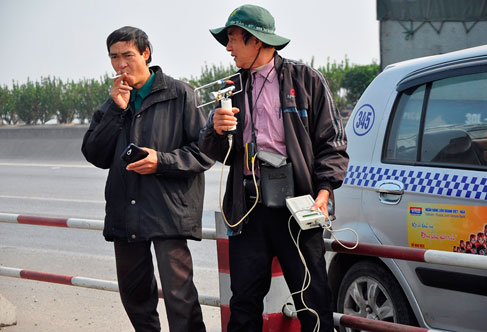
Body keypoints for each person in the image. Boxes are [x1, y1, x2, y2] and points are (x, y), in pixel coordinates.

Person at [198, 5, 349, 332]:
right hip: (247, 207)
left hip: (298, 204)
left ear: (256, 41)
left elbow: (333, 142)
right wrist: (216, 128)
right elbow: (208, 151)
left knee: (312, 300)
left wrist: (324, 192)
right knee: (243, 305)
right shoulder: (230, 88)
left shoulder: (306, 80)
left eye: (233, 39)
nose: (227, 48)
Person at [81, 26, 213, 332]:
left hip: (168, 212)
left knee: (181, 298)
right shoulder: (114, 103)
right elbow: (94, 154)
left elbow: (205, 152)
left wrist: (161, 161)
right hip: (125, 214)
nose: (120, 64)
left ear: (146, 53)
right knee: (134, 296)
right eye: (114, 57)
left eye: (128, 55)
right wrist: (116, 109)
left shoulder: (182, 94)